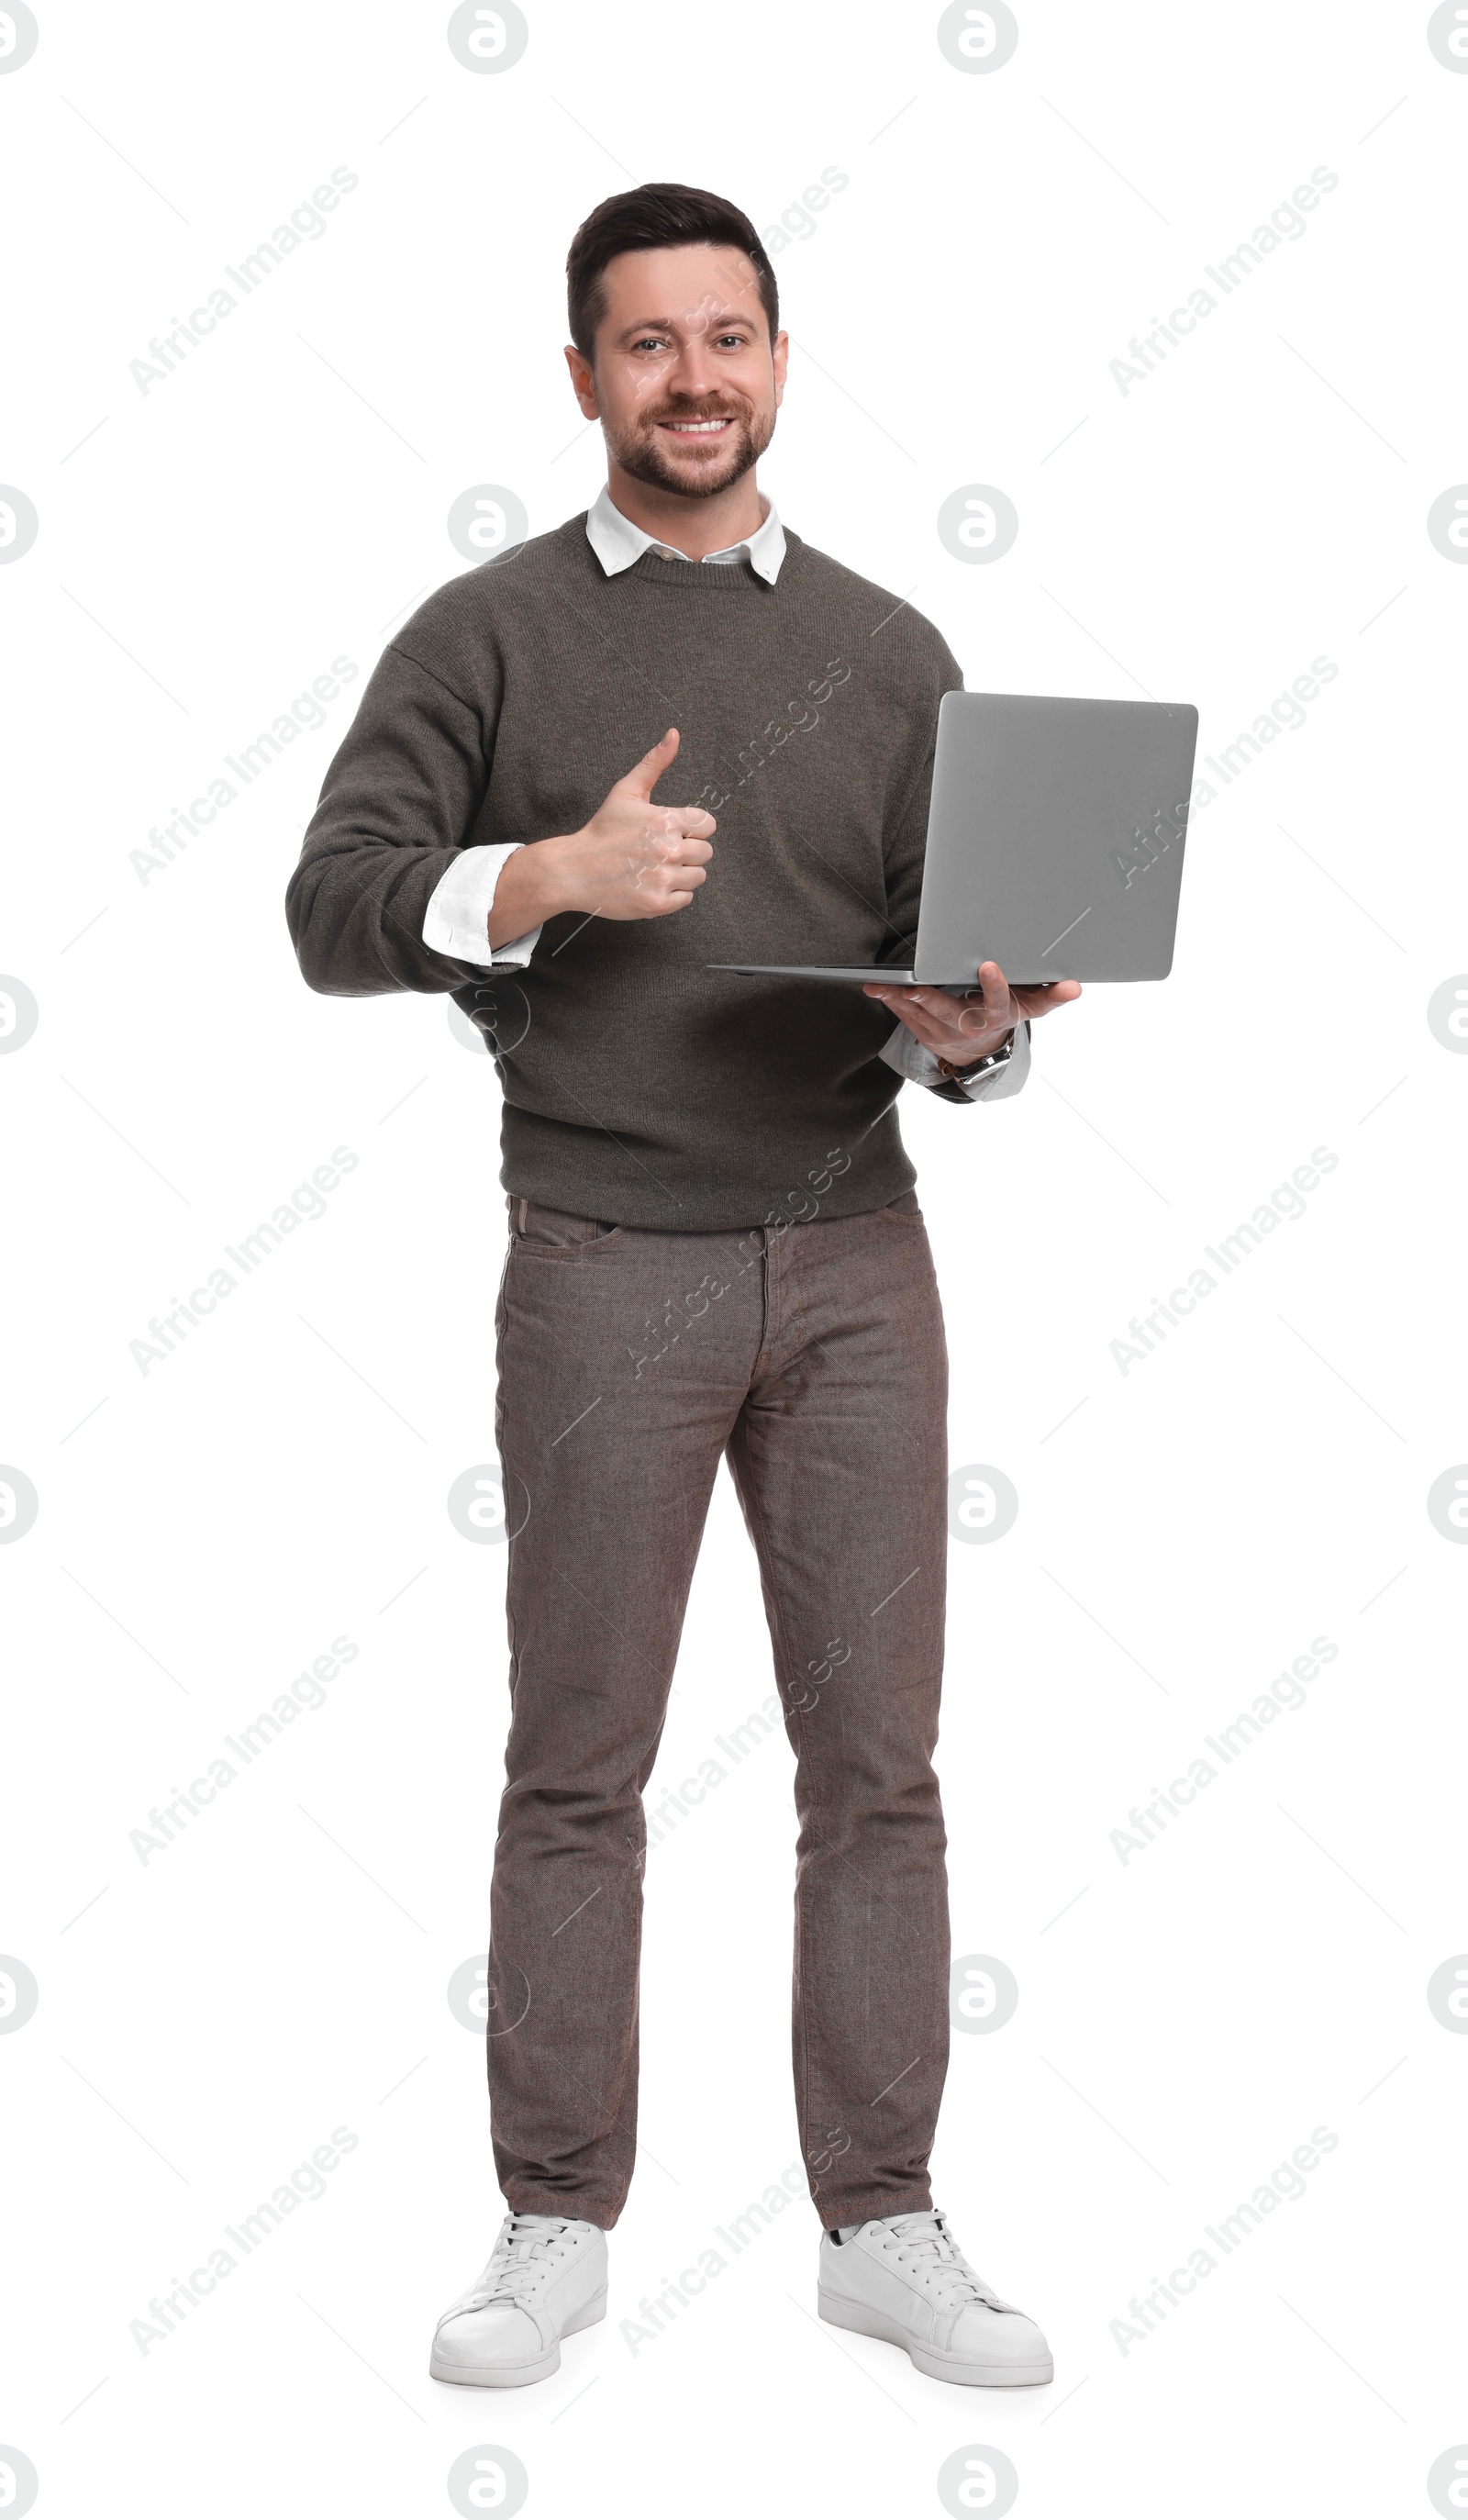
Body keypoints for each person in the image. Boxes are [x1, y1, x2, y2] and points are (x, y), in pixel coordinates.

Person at [285, 181, 1078, 2394]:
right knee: (580, 1762)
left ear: (781, 361)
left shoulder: (902, 648)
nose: (695, 378)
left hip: (853, 1262)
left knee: (877, 1763)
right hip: (597, 1262)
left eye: (729, 336)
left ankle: (881, 2216)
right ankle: (553, 2214)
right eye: (648, 344)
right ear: (580, 378)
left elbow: (959, 990)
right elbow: (326, 905)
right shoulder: (487, 632)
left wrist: (983, 1033)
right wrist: (535, 875)